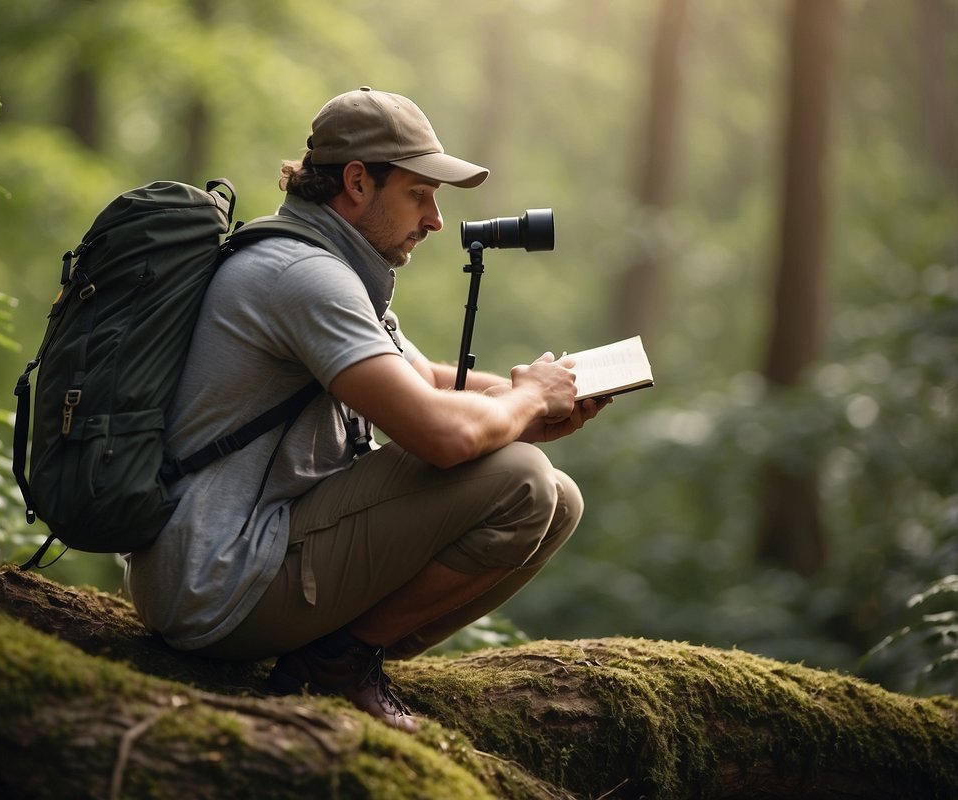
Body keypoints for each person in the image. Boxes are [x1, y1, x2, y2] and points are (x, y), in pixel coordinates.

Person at [125, 86, 607, 733]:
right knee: (519, 480)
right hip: (217, 583)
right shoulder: (302, 277)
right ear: (357, 182)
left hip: (239, 561)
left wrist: (540, 396)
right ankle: (333, 662)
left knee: (558, 497)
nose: (435, 219)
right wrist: (525, 398)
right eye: (418, 193)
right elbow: (440, 434)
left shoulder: (330, 266)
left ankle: (339, 653)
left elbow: (423, 379)